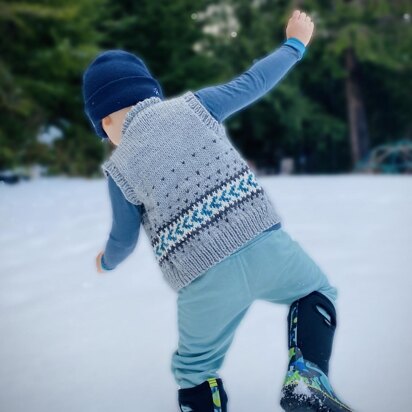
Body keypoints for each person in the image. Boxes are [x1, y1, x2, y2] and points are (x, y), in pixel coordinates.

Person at [82, 9, 352, 412]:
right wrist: (295, 43)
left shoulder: (119, 169)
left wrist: (107, 262)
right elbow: (254, 81)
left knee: (194, 371)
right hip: (265, 247)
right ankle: (307, 376)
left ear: (105, 122)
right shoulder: (195, 106)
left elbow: (123, 238)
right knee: (317, 292)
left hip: (203, 281)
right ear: (150, 92)